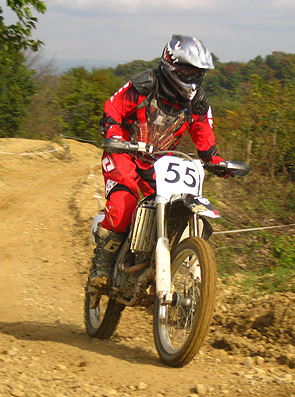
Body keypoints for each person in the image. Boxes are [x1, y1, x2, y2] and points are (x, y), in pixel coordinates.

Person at [89, 34, 230, 290]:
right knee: (123, 205)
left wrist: (216, 161)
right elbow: (113, 107)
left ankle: (159, 266)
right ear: (171, 65)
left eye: (197, 72)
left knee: (178, 209)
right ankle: (102, 265)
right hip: (124, 151)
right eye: (187, 70)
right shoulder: (145, 85)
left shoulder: (197, 102)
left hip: (160, 162)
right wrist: (112, 134)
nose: (192, 77)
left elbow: (205, 138)